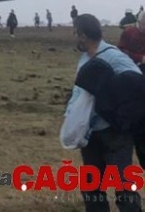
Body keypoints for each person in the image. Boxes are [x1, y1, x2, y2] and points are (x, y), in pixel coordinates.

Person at [64, 14, 142, 211]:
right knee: (91, 188)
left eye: (75, 33)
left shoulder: (113, 56)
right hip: (90, 135)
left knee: (124, 187)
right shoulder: (84, 59)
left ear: (82, 35)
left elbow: (138, 84)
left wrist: (114, 107)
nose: (74, 37)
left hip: (114, 134)